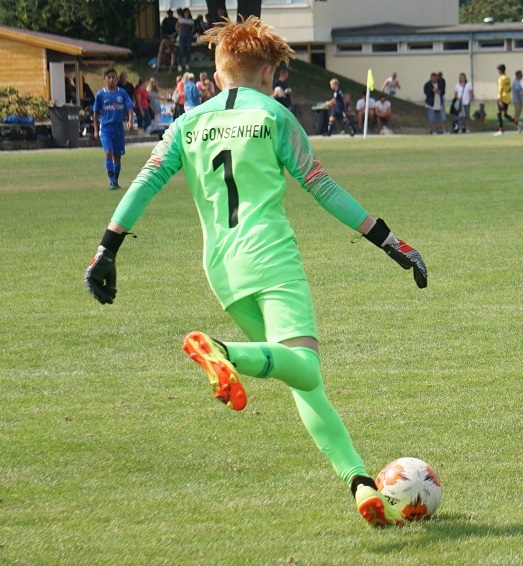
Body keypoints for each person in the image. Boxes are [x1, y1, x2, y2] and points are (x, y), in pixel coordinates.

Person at [82, 16, 427, 529]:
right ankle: (222, 351)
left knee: (302, 384)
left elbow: (146, 182)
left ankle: (358, 482)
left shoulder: (186, 122)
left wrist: (106, 251)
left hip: (221, 270)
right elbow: (322, 186)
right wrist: (390, 241)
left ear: (219, 72)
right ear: (267, 71)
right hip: (271, 259)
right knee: (305, 367)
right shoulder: (274, 116)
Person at [92, 68, 135, 190]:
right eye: (109, 77)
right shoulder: (101, 94)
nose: (111, 79)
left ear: (117, 79)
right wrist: (95, 129)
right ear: (105, 79)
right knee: (108, 152)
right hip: (105, 128)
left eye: (113, 77)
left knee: (117, 155)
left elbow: (130, 108)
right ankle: (111, 181)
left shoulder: (122, 93)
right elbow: (95, 112)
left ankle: (115, 181)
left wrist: (130, 121)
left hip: (118, 128)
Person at [494, 64, 521, 135]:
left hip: (502, 97)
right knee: (505, 114)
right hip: (507, 97)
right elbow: (509, 88)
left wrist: (500, 99)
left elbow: (500, 89)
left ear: (500, 70)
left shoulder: (501, 78)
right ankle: (516, 123)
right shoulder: (508, 77)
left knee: (498, 113)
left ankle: (500, 130)